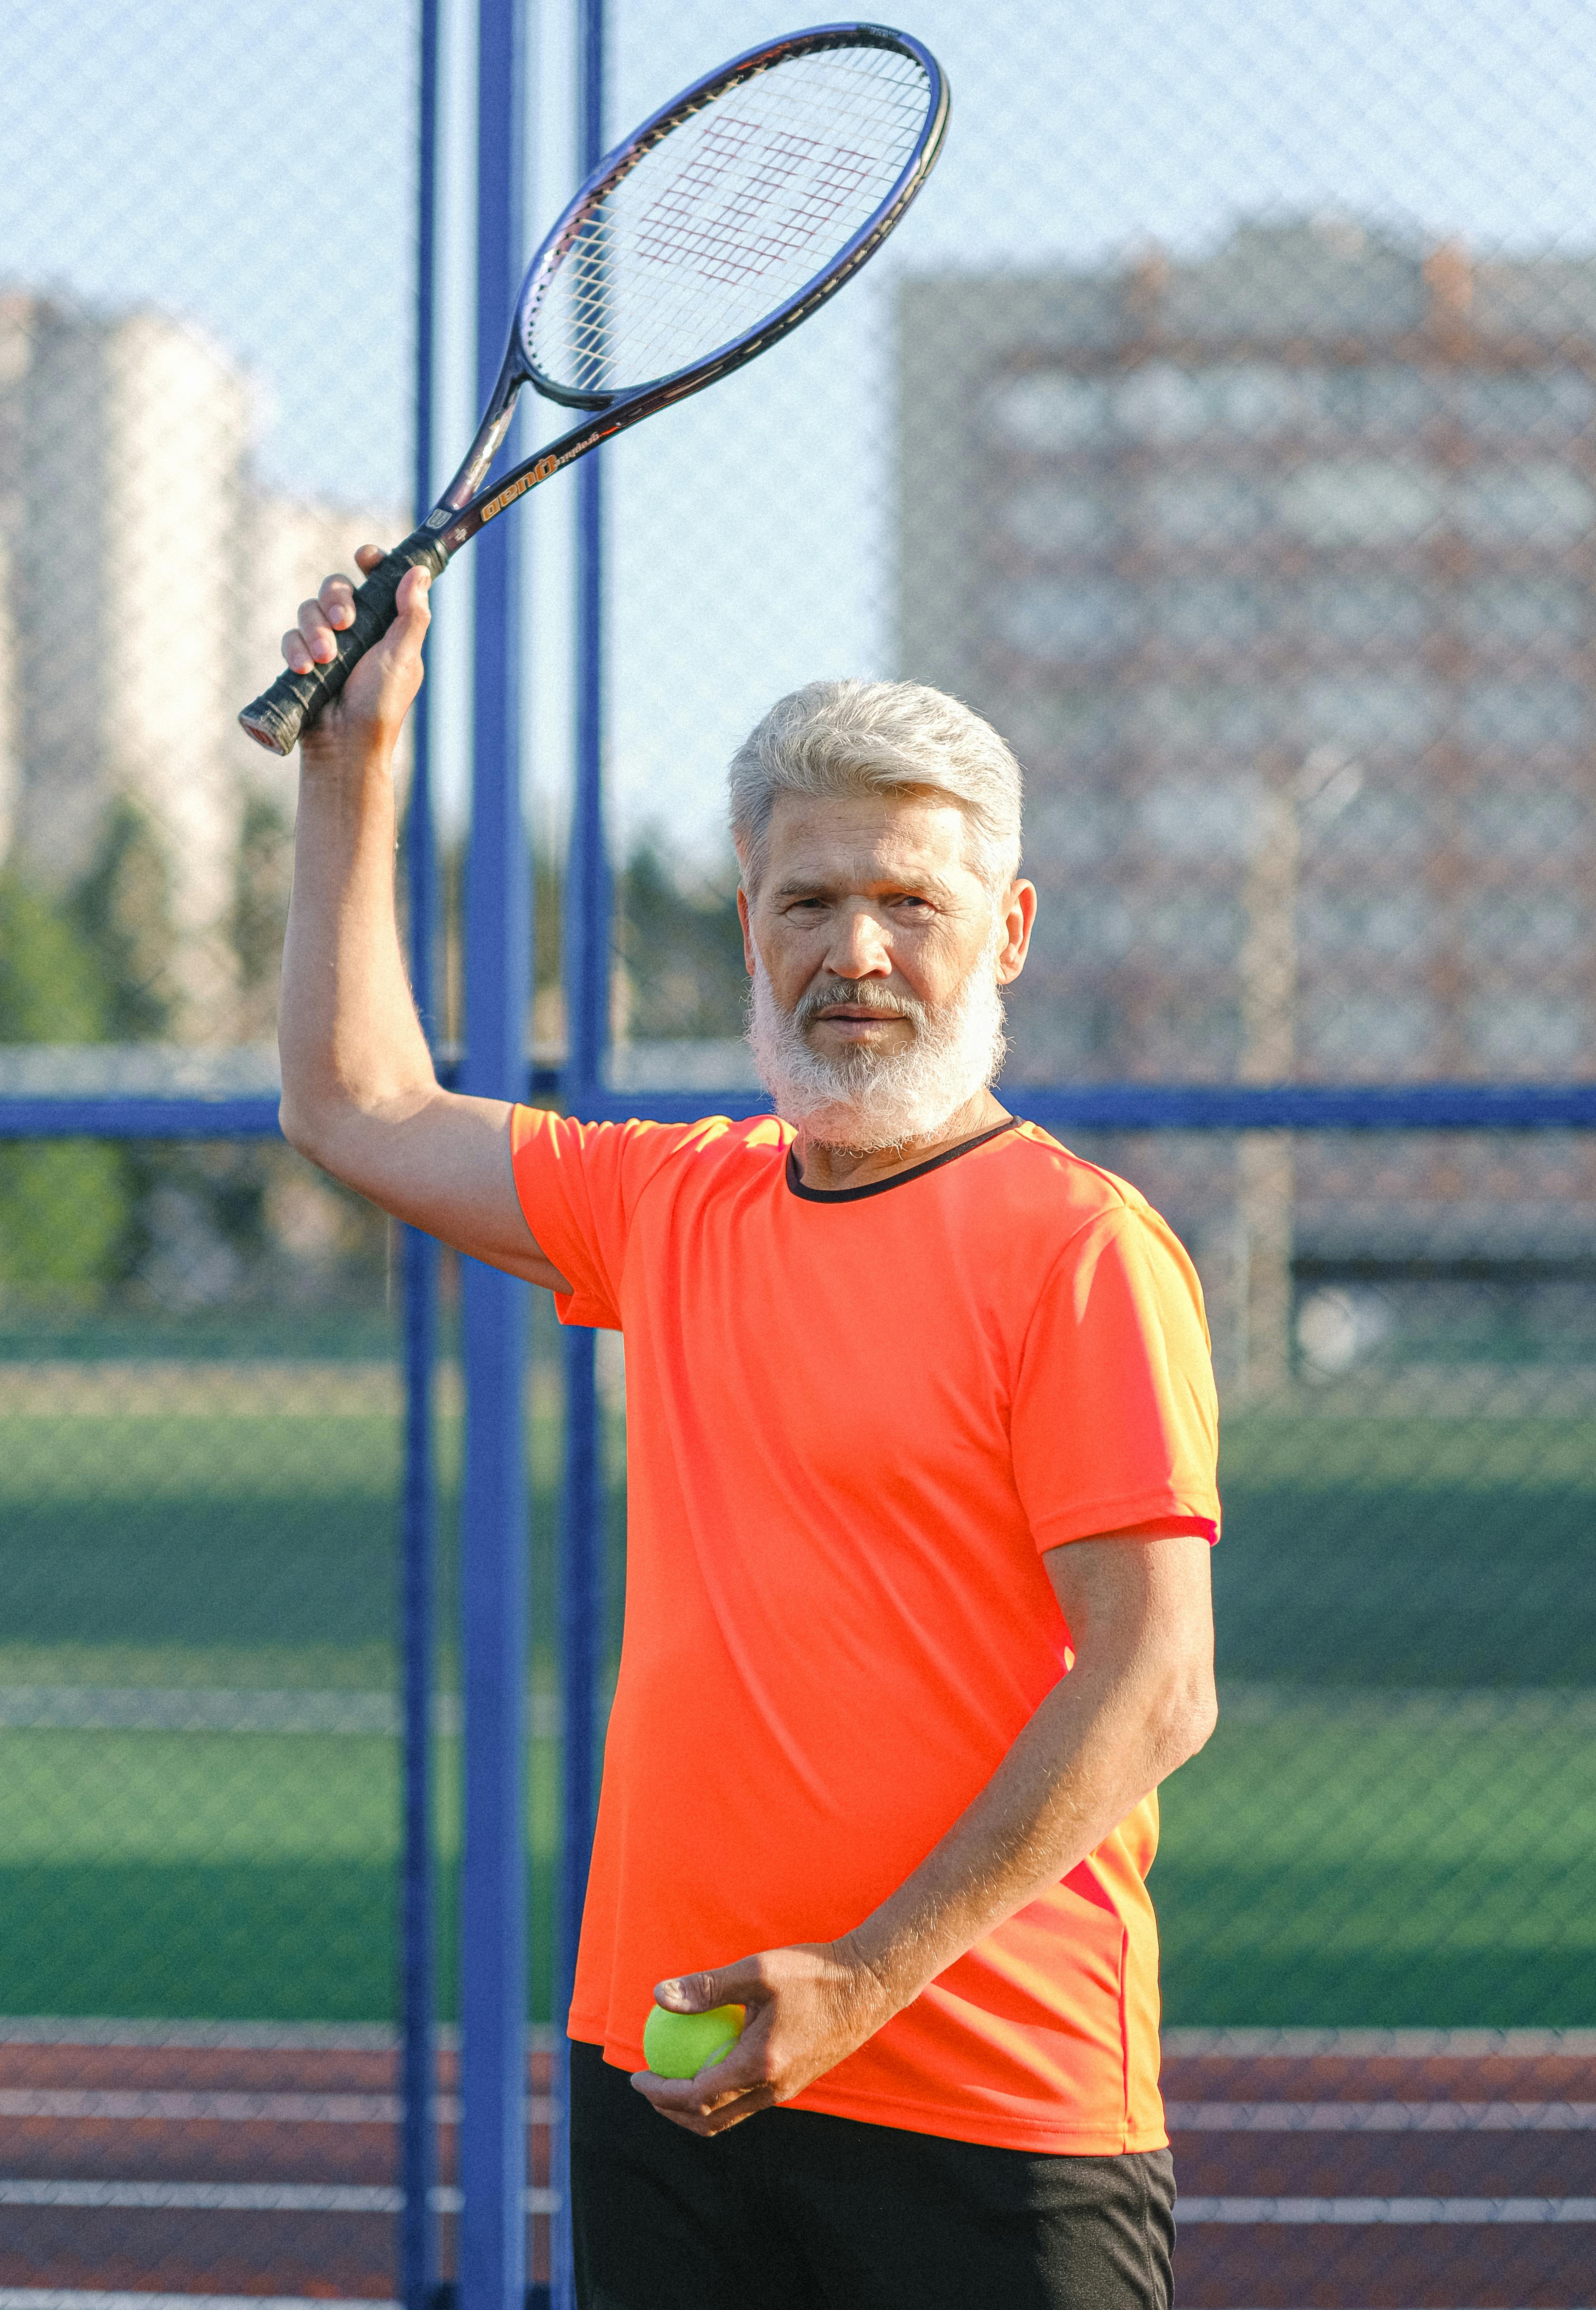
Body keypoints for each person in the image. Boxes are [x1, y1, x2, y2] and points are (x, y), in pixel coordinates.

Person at [276, 550, 1221, 2310]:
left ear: (1004, 930)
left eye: (908, 903)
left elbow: (1155, 1680)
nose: (853, 950)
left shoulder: (1080, 1247)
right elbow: (355, 1099)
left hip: (990, 2109)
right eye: (805, 901)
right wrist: (358, 763)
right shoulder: (673, 1199)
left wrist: (860, 1978)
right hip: (677, 2067)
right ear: (746, 923)